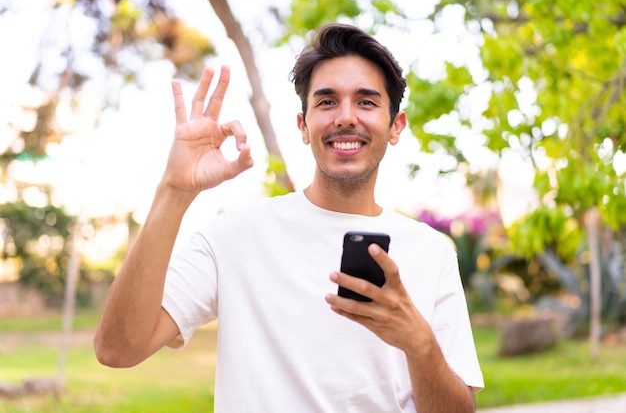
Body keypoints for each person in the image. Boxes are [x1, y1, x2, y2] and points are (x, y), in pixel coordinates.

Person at [94, 23, 484, 412]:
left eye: (366, 102)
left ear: (395, 126)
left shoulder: (432, 253)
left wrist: (419, 343)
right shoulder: (236, 232)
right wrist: (174, 192)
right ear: (303, 126)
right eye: (327, 102)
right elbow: (117, 349)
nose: (346, 117)